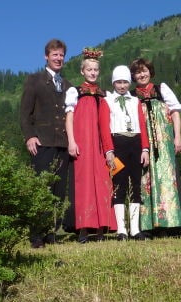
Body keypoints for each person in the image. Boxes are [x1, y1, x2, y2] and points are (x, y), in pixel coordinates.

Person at [129, 58, 181, 237]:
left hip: (164, 143)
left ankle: (171, 224)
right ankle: (149, 226)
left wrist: (178, 137)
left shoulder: (161, 89)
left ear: (150, 72)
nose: (142, 74)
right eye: (138, 72)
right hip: (143, 146)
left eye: (145, 71)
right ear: (134, 76)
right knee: (146, 183)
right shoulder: (131, 96)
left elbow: (175, 113)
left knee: (167, 181)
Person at [20, 38, 74, 248]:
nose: (58, 58)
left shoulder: (68, 85)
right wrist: (29, 136)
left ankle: (52, 233)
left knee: (59, 190)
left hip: (62, 144)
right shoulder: (34, 80)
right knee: (41, 187)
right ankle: (36, 235)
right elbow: (25, 113)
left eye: (61, 55)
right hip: (41, 142)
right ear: (46, 56)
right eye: (55, 55)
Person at [65, 48, 116, 243]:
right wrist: (71, 141)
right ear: (82, 71)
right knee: (84, 185)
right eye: (89, 69)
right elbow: (69, 118)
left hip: (100, 147)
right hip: (83, 143)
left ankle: (102, 229)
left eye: (96, 70)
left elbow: (105, 124)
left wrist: (109, 149)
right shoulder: (75, 92)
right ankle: (84, 230)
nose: (93, 72)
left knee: (102, 184)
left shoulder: (104, 95)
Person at [99, 65, 150, 241]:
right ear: (113, 83)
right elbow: (104, 127)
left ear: (129, 82)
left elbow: (142, 126)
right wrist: (109, 151)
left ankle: (135, 229)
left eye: (125, 82)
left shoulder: (135, 101)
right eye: (118, 82)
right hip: (117, 143)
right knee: (119, 184)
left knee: (136, 184)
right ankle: (122, 229)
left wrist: (145, 149)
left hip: (135, 142)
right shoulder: (107, 101)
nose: (122, 86)